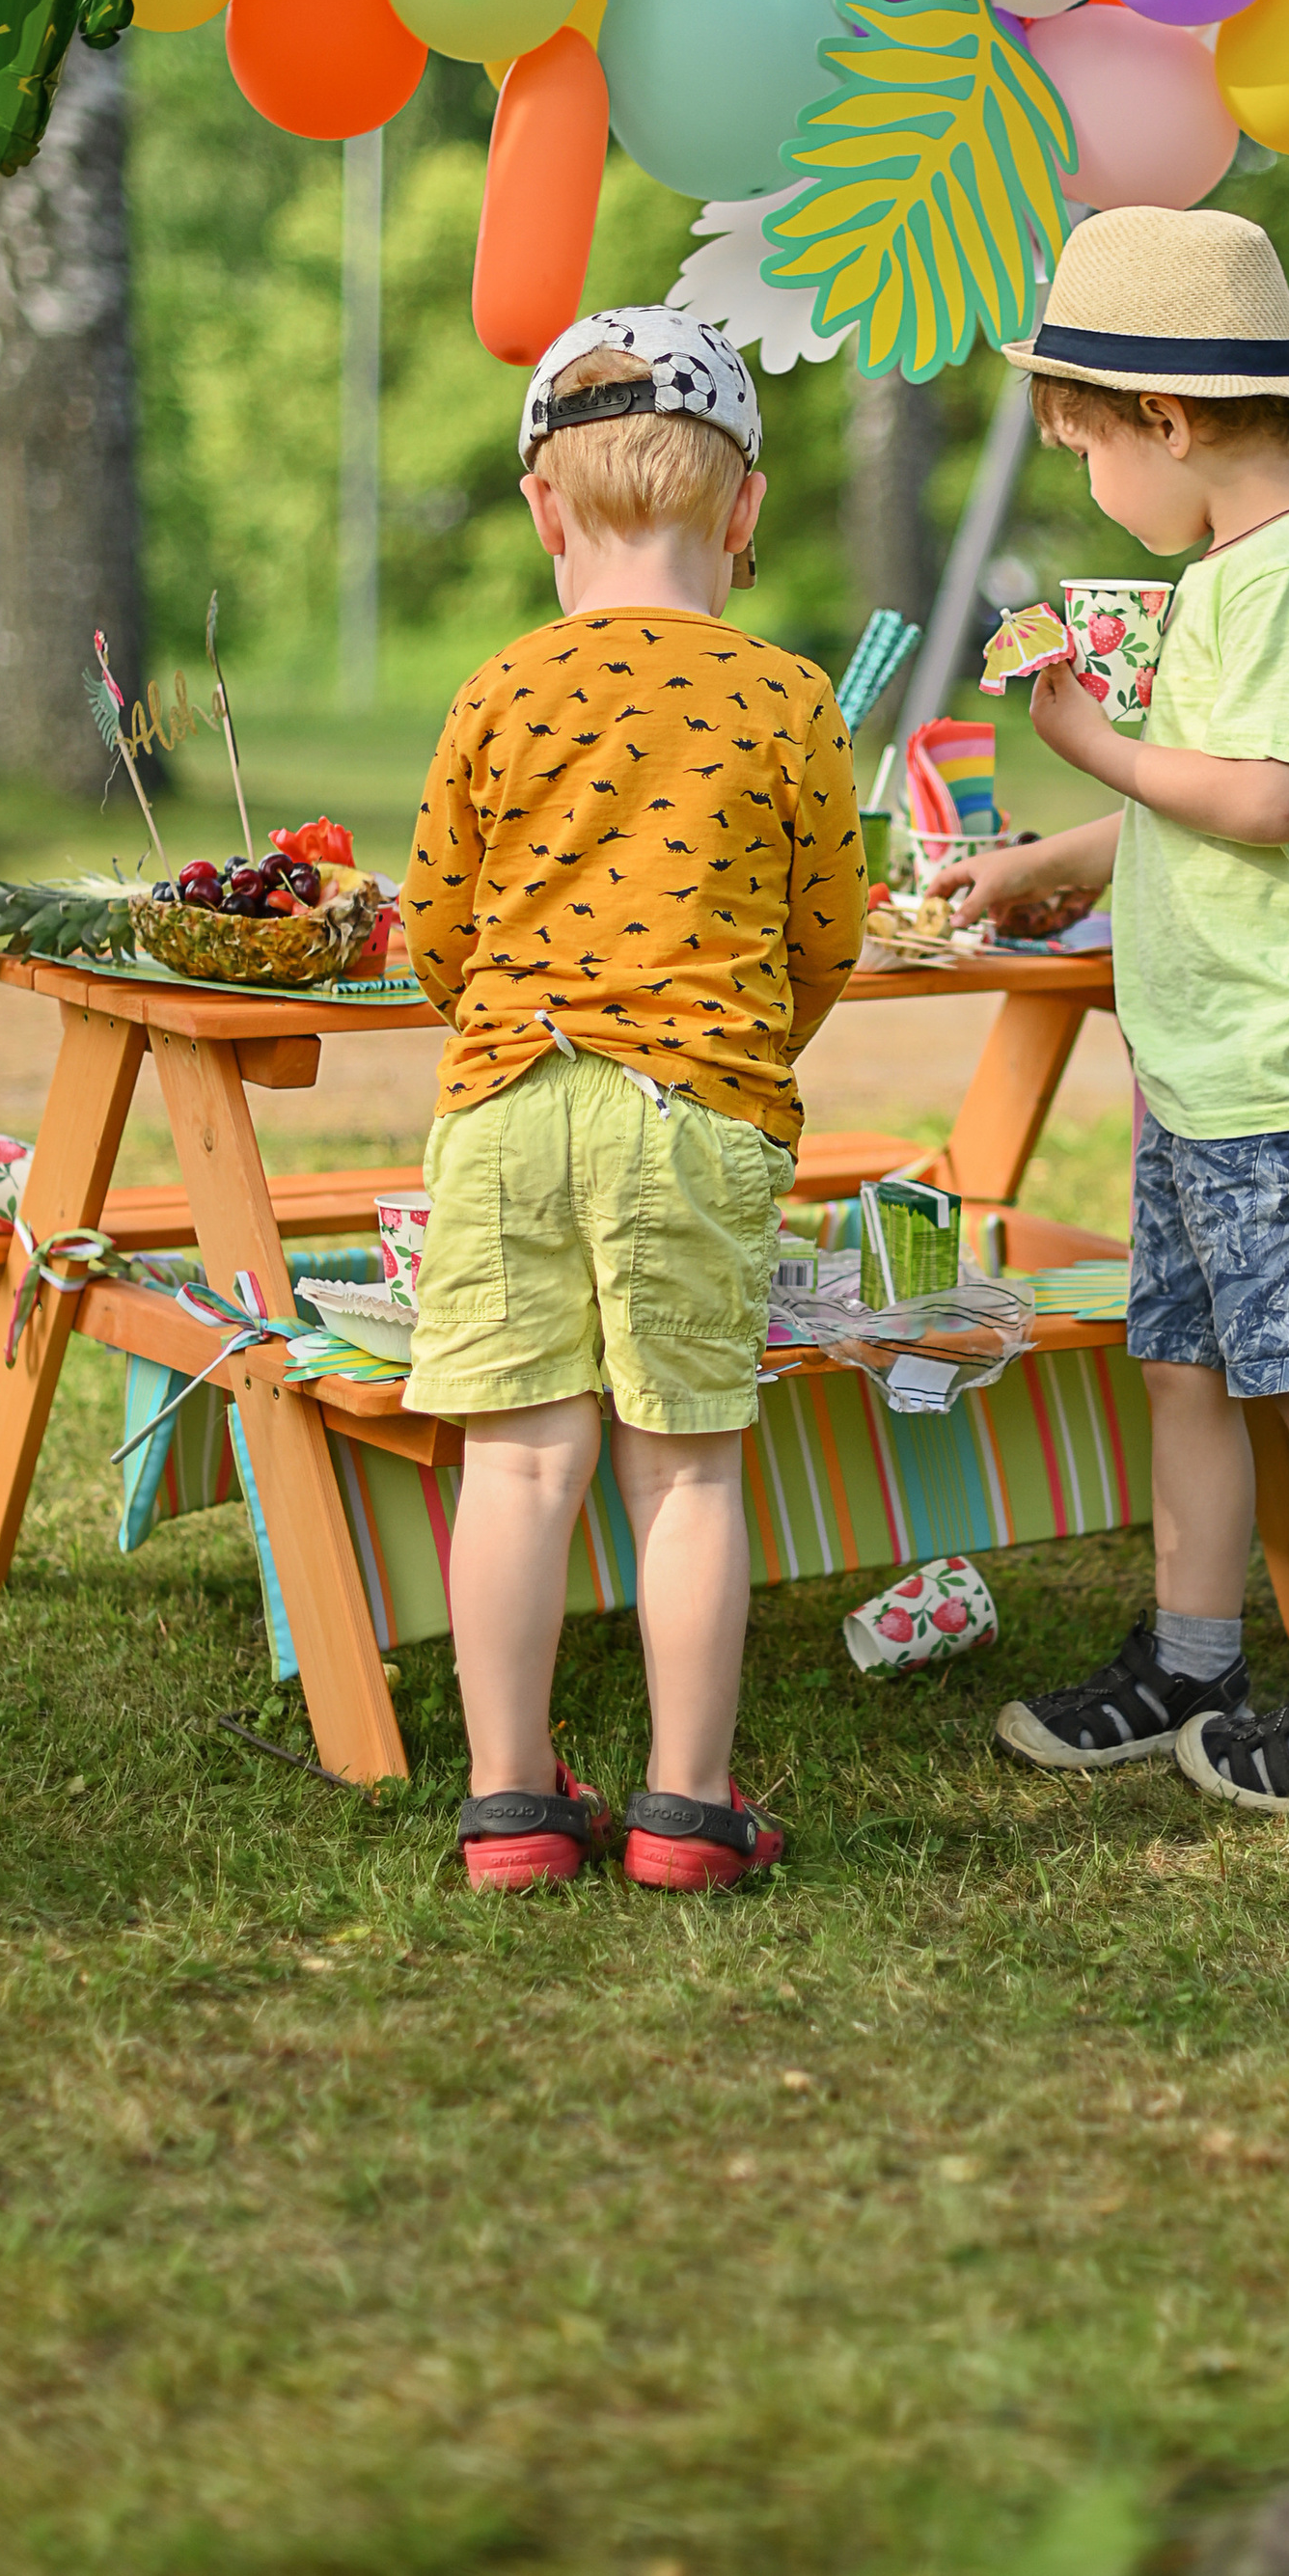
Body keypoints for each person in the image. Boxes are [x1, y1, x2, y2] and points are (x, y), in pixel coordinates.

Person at [929, 206, 1289, 1838]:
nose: (1091, 487)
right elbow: (1198, 809)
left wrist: (1096, 748)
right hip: (1205, 1081)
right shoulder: (1231, 571)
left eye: (1086, 449)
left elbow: (1270, 800)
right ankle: (1195, 1664)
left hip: (1287, 1083)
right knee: (1189, 1374)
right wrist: (1058, 863)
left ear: (1164, 420)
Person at [399, 307, 866, 1897]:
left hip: (513, 1095)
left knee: (519, 1465)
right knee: (684, 1470)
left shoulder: (496, 691)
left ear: (542, 508)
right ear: (743, 514)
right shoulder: (788, 697)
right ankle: (685, 1804)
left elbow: (437, 938)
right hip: (694, 1105)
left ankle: (512, 1802)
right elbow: (828, 938)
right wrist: (747, 1053)